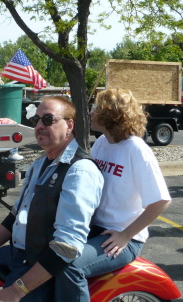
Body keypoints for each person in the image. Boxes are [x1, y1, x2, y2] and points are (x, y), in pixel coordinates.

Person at [0, 96, 103, 302]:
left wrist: (16, 292)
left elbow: (67, 246)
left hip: (40, 265)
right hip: (18, 254)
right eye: (36, 120)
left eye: (48, 119)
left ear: (69, 125)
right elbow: (16, 216)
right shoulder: (40, 164)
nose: (40, 125)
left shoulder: (80, 171)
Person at [69, 88, 172, 292]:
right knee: (48, 255)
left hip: (122, 238)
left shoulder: (136, 149)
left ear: (110, 115)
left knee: (70, 266)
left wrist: (125, 235)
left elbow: (161, 201)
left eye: (96, 108)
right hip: (95, 228)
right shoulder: (101, 143)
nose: (90, 113)